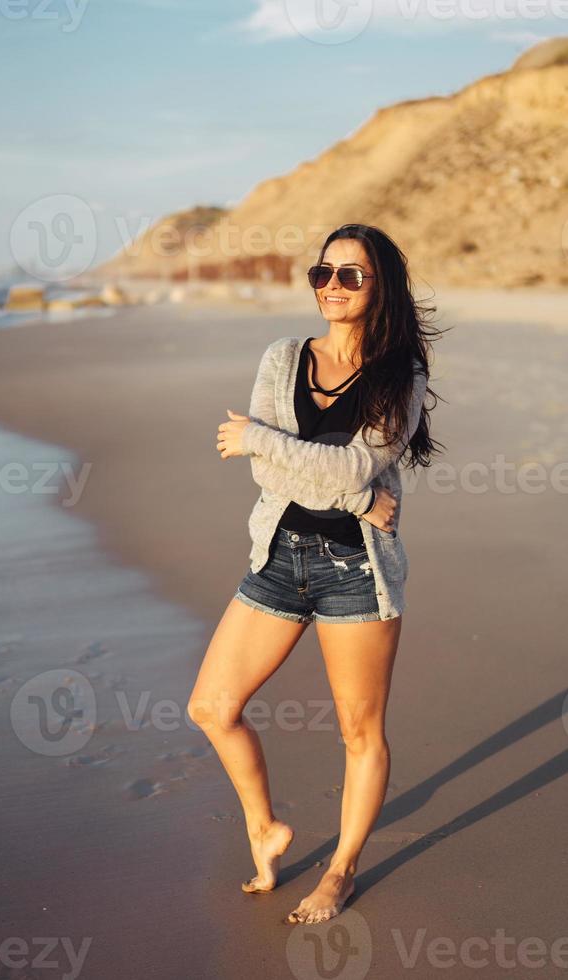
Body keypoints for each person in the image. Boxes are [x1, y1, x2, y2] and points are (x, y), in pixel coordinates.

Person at [187, 223, 445, 925]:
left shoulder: (401, 378)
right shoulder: (283, 356)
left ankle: (340, 872)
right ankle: (265, 827)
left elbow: (341, 463)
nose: (331, 286)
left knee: (361, 733)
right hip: (278, 557)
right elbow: (287, 473)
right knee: (211, 706)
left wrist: (257, 439)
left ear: (379, 286)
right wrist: (362, 493)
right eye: (322, 273)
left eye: (350, 276)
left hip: (356, 571)